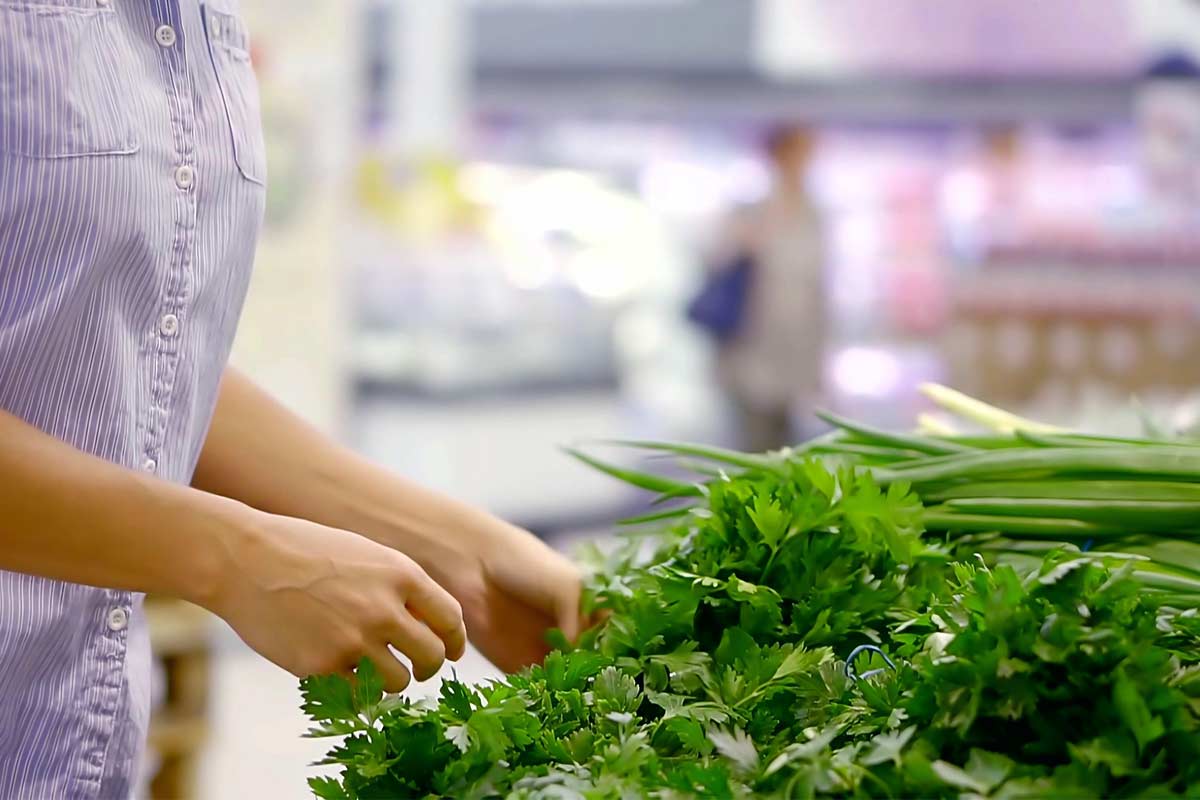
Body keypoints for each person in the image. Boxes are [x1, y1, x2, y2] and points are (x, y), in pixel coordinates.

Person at [0, 4, 582, 797]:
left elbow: (113, 360)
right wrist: (234, 557)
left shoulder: (197, 20)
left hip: (68, 750)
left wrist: (455, 550)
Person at [713, 125, 827, 452]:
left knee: (787, 444)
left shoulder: (813, 214)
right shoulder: (751, 210)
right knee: (754, 443)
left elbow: (815, 291)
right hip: (751, 350)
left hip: (795, 352)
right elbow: (720, 262)